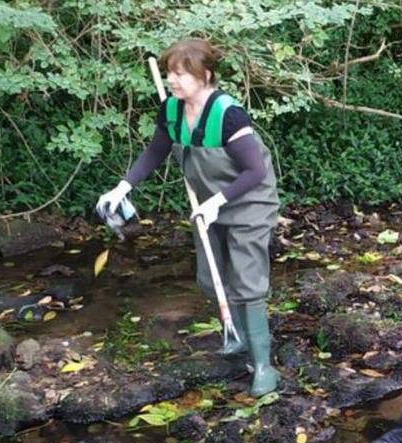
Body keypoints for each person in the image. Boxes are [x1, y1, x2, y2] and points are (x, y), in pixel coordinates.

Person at [96, 38, 280, 396]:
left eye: (180, 74)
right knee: (212, 276)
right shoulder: (171, 111)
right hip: (206, 202)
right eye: (169, 73)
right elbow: (155, 151)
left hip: (248, 201)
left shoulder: (228, 113)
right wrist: (123, 187)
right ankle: (236, 338)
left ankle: (263, 366)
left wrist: (219, 202)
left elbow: (255, 171)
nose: (172, 81)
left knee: (246, 277)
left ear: (206, 75)